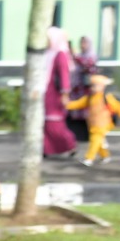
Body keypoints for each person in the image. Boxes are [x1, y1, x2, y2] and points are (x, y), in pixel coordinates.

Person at [67, 75, 120, 166]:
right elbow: (78, 104)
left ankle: (89, 158)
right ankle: (105, 156)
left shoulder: (106, 97)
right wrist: (66, 104)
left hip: (102, 124)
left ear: (102, 86)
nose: (92, 88)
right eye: (92, 86)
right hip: (93, 124)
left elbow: (117, 106)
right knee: (99, 142)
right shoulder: (90, 97)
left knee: (95, 140)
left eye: (95, 85)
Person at [42, 27, 77, 158]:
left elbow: (64, 75)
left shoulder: (60, 54)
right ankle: (47, 149)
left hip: (55, 94)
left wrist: (65, 94)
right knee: (46, 124)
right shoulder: (48, 54)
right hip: (46, 93)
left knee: (54, 123)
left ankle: (70, 145)